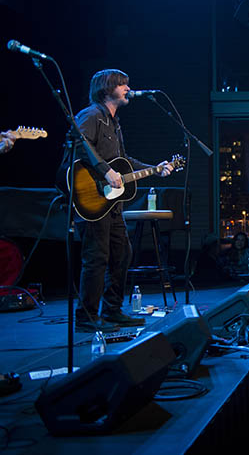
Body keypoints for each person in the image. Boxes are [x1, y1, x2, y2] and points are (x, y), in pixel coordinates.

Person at [66, 69, 174, 333]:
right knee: (96, 257)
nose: (128, 88)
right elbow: (78, 144)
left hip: (112, 204)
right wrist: (105, 170)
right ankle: (86, 317)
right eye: (122, 84)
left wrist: (155, 168)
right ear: (106, 89)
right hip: (91, 197)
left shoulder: (114, 124)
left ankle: (112, 311)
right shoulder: (92, 115)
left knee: (122, 254)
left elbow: (124, 164)